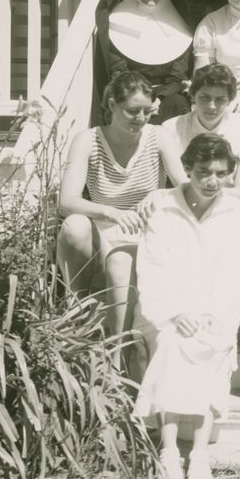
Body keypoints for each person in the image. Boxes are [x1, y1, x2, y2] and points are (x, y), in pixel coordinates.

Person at [133, 133, 240, 479]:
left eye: (220, 173)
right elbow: (151, 267)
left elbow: (229, 272)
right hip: (164, 308)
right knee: (172, 341)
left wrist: (216, 315)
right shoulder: (161, 205)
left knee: (212, 344)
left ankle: (199, 455)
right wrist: (174, 312)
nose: (212, 181)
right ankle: (169, 453)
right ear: (186, 169)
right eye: (203, 172)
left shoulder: (236, 210)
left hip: (213, 308)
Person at [56, 73, 187, 360]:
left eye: (146, 110)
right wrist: (110, 211)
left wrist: (159, 195)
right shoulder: (88, 140)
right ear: (112, 105)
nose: (140, 118)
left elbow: (186, 189)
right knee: (74, 225)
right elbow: (66, 201)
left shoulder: (159, 137)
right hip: (102, 231)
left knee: (127, 259)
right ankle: (74, 310)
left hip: (145, 231)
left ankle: (119, 349)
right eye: (132, 111)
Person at [92, 0, 194, 124]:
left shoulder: (180, 28)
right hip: (130, 96)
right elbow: (119, 74)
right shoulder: (117, 25)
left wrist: (158, 98)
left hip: (165, 99)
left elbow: (177, 78)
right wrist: (143, 101)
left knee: (178, 103)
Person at [163, 64, 240, 201]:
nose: (211, 106)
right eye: (205, 97)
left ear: (230, 100)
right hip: (181, 201)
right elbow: (179, 183)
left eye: (220, 99)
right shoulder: (171, 128)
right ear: (193, 96)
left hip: (227, 203)